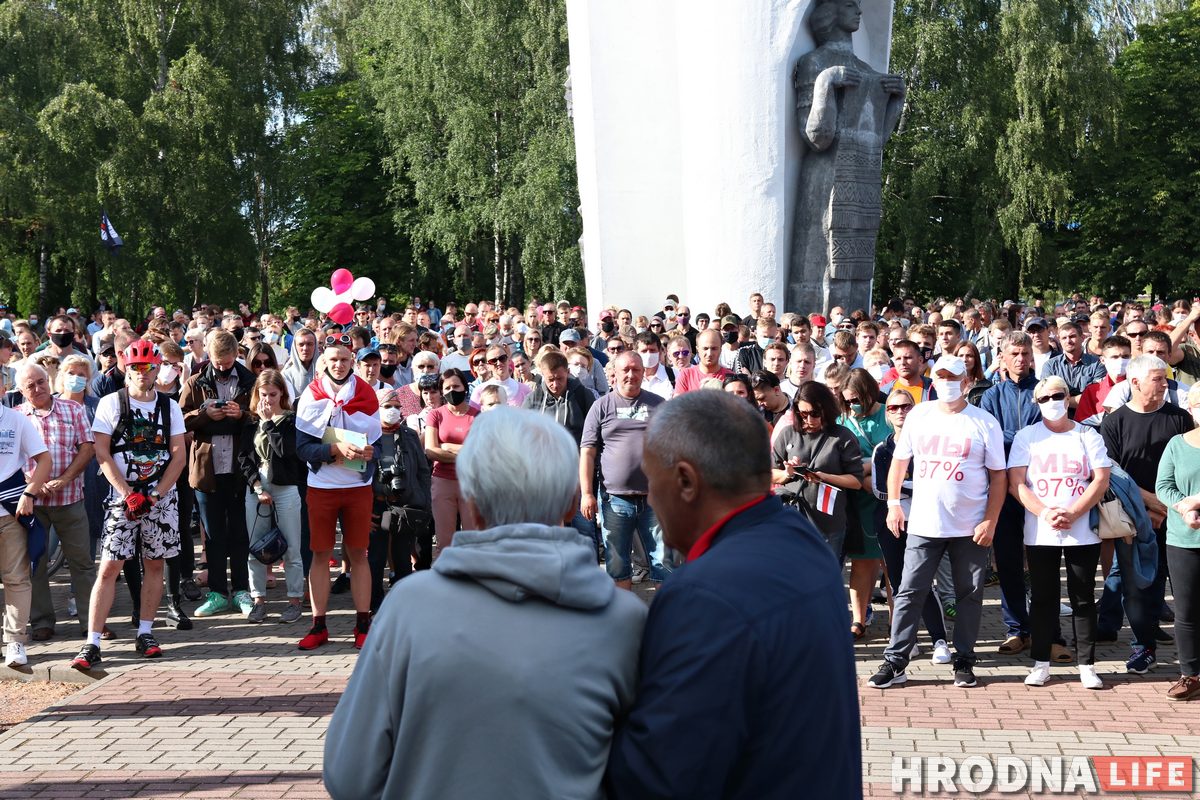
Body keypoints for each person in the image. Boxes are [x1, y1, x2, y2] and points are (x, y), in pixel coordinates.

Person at [325, 407, 646, 798]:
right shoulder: (625, 621)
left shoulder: (409, 607)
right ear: (569, 502)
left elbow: (349, 775)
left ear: (471, 504)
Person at [607, 391, 860, 798]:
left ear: (686, 481)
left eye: (651, 481)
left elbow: (660, 775)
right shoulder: (803, 543)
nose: (650, 498)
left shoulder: (703, 594)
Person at [868, 355, 1007, 689]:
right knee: (909, 591)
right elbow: (899, 463)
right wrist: (894, 505)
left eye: (953, 376)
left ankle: (964, 659)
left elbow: (999, 478)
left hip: (970, 526)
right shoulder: (920, 415)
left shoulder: (984, 422)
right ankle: (895, 660)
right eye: (940, 375)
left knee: (969, 595)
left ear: (966, 381)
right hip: (924, 523)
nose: (946, 381)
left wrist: (990, 520)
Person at [73, 340, 186, 670]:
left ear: (156, 369)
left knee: (154, 563)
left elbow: (178, 455)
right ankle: (92, 641)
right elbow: (102, 452)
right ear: (126, 367)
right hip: (123, 496)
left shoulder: (169, 407)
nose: (142, 373)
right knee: (109, 566)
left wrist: (156, 494)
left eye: (148, 367)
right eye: (135, 367)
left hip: (160, 497)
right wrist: (127, 493)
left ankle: (146, 631)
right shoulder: (111, 403)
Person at [1008, 376, 1111, 689]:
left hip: (1082, 530)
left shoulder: (1086, 434)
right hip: (1041, 531)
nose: (1052, 401)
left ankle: (1087, 664)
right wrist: (1045, 512)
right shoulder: (1027, 436)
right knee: (1043, 598)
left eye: (1058, 395)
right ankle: (1041, 663)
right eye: (1045, 398)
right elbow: (1017, 483)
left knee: (1082, 598)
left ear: (1068, 398)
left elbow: (1100, 478)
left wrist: (1075, 512)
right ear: (1036, 403)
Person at [1099, 354, 1192, 675]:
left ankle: (1170, 648)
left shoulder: (1179, 418)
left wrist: (1171, 507)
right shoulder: (1114, 422)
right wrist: (1151, 505)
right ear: (1134, 382)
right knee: (1135, 585)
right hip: (1132, 519)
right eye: (1157, 378)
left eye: (1165, 377)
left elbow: (1188, 465)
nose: (1165, 383)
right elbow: (1111, 474)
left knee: (1171, 587)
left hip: (1179, 517)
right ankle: (1142, 647)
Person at [294, 335, 381, 650]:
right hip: (322, 487)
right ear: (324, 363)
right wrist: (334, 449)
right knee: (320, 554)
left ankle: (362, 624)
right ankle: (318, 625)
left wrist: (372, 453)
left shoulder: (367, 393)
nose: (339, 365)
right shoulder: (311, 395)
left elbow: (378, 443)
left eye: (344, 359)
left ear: (352, 360)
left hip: (358, 487)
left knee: (359, 554)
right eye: (333, 360)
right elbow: (302, 448)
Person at [871, 388, 952, 665]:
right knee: (899, 584)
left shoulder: (929, 444)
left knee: (922, 583)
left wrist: (904, 486)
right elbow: (881, 489)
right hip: (892, 522)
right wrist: (912, 486)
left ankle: (940, 639)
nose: (899, 412)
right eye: (893, 408)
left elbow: (935, 483)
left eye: (905, 406)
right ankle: (908, 641)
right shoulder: (882, 449)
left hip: (925, 520)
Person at [16, 363, 96, 642]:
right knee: (35, 564)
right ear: (21, 390)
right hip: (33, 504)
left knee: (82, 563)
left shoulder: (72, 409)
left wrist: (64, 479)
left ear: (49, 381)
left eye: (41, 382)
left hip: (70, 498)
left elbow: (87, 448)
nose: (37, 388)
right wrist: (34, 485)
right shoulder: (17, 418)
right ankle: (41, 622)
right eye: (30, 385)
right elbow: (11, 461)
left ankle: (91, 623)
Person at [580, 351, 673, 589]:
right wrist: (587, 493)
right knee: (617, 562)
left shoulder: (658, 404)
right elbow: (588, 452)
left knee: (663, 562)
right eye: (625, 370)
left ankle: (665, 619)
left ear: (644, 372)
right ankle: (623, 620)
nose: (631, 375)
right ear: (614, 374)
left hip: (655, 498)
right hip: (615, 498)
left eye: (636, 370)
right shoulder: (601, 406)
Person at [180, 330, 255, 618]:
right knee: (212, 535)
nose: (222, 368)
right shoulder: (195, 382)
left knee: (239, 532)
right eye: (217, 362)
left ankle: (240, 591)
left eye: (227, 362)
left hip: (239, 468)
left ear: (236, 355)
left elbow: (263, 414)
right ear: (208, 357)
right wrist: (204, 416)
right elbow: (181, 418)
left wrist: (242, 416)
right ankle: (216, 593)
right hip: (206, 469)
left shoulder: (249, 381)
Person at [980, 331, 1043, 656]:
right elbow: (992, 435)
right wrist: (1023, 437)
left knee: (1042, 560)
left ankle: (1046, 628)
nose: (1020, 359)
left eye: (1025, 353)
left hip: (1040, 487)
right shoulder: (992, 395)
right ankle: (1017, 628)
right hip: (1003, 489)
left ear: (1032, 356)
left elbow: (1046, 429)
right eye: (1014, 354)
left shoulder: (1042, 392)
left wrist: (1017, 438)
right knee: (1007, 561)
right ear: (1003, 358)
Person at [237, 369, 305, 624]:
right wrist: (256, 486)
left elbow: (287, 451)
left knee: (292, 547)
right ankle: (258, 601)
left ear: (282, 394)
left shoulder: (290, 420)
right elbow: (243, 457)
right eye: (263, 394)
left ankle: (295, 600)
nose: (267, 400)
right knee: (256, 548)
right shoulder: (251, 421)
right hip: (258, 486)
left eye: (273, 395)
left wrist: (268, 423)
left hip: (285, 486)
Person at [771, 379, 864, 559]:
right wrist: (787, 473)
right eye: (803, 413)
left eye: (815, 413)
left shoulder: (842, 436)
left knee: (825, 581)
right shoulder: (788, 433)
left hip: (828, 524)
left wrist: (824, 476)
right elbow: (771, 474)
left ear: (826, 410)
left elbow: (856, 481)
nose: (809, 419)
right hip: (793, 521)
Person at [368, 387, 432, 613]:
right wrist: (364, 508)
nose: (393, 411)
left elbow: (423, 471)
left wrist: (424, 502)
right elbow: (357, 476)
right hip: (377, 506)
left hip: (404, 506)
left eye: (397, 407)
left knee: (402, 559)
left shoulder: (409, 435)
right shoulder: (367, 435)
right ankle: (375, 604)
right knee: (375, 559)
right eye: (387, 407)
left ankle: (404, 606)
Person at [1155, 384, 1200, 701]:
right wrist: (1185, 507)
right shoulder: (1176, 444)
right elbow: (1163, 486)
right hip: (1183, 538)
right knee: (1186, 611)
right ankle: (1190, 674)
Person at [838, 368, 890, 639]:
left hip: (889, 498)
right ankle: (859, 620)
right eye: (846, 400)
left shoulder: (888, 413)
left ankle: (898, 621)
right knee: (861, 562)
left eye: (855, 399)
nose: (851, 405)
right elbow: (837, 460)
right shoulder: (843, 418)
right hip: (858, 498)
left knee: (892, 564)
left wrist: (866, 466)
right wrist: (862, 477)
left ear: (869, 393)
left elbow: (897, 451)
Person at [0, 390, 51, 667]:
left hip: (11, 510)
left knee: (16, 578)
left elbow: (44, 459)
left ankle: (15, 640)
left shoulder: (16, 420)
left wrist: (30, 493)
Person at [424, 368, 479, 558]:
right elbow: (431, 450)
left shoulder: (477, 415)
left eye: (456, 386)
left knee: (473, 542)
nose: (451, 391)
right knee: (444, 543)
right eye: (447, 388)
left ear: (465, 387)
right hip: (442, 482)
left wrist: (446, 446)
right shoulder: (435, 415)